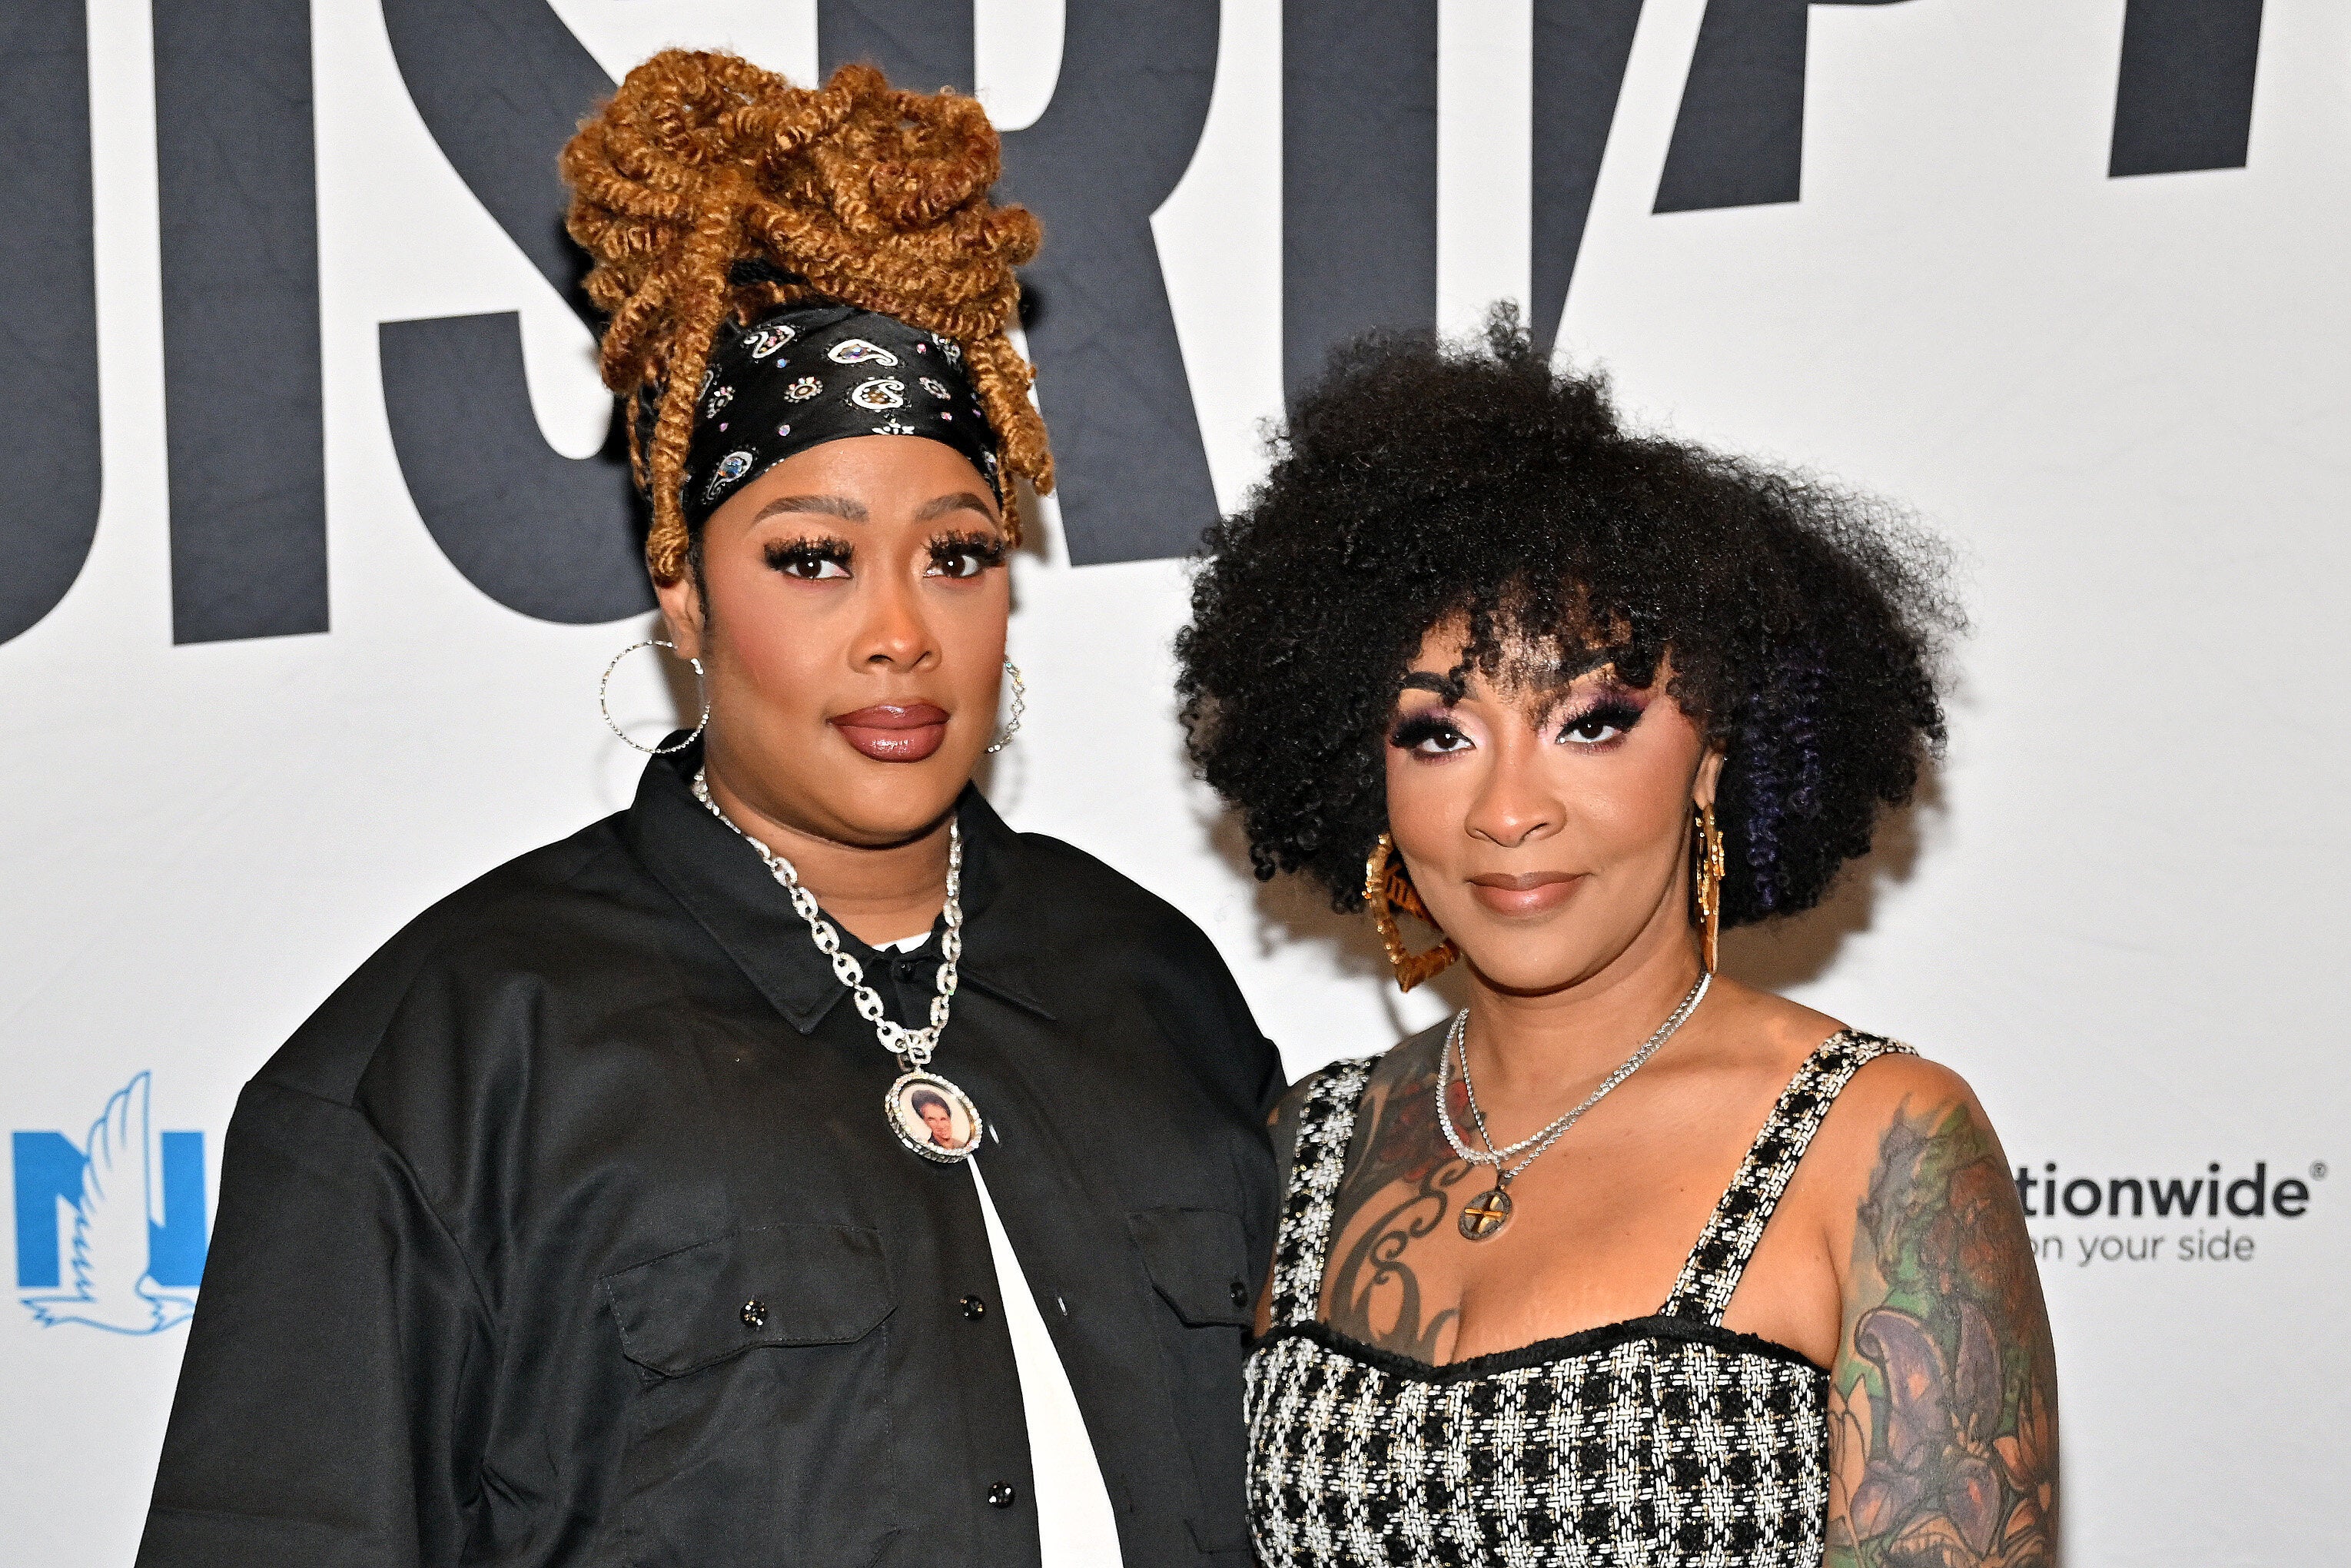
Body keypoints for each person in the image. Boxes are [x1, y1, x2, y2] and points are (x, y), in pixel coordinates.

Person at [138, 53, 1280, 1568]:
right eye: (813, 559)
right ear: (682, 590)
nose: (900, 633)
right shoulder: (449, 1058)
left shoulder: (1157, 992)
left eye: (957, 554)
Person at [1177, 314, 2054, 1566]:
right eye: (1439, 734)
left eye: (1588, 723)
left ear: (1714, 754)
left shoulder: (1882, 1147)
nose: (1509, 810)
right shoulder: (1306, 1145)